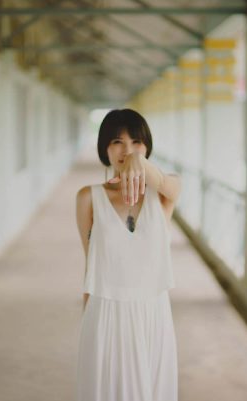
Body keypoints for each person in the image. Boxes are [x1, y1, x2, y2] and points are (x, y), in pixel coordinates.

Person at [75, 108, 181, 401]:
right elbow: (91, 264)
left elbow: (171, 185)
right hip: (106, 315)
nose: (127, 150)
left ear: (147, 147)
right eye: (117, 142)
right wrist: (88, 324)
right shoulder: (88, 197)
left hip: (153, 315)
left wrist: (139, 164)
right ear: (104, 149)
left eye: (136, 142)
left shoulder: (162, 194)